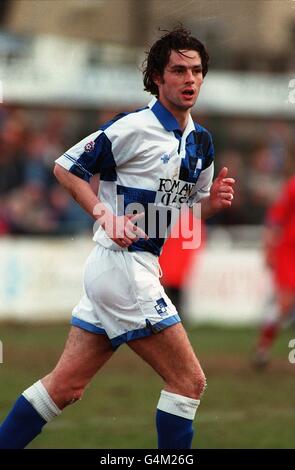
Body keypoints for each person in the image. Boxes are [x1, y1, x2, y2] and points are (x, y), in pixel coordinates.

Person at [0, 27, 235, 449]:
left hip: (130, 269)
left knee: (65, 387)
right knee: (188, 381)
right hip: (122, 266)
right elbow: (65, 167)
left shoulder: (201, 142)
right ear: (157, 78)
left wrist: (212, 204)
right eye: (179, 70)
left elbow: (185, 216)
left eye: (197, 71)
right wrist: (103, 214)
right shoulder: (132, 127)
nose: (190, 79)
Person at [253, 176, 295, 369]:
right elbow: (275, 217)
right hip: (289, 251)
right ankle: (263, 348)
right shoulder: (293, 186)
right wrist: (268, 249)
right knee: (285, 302)